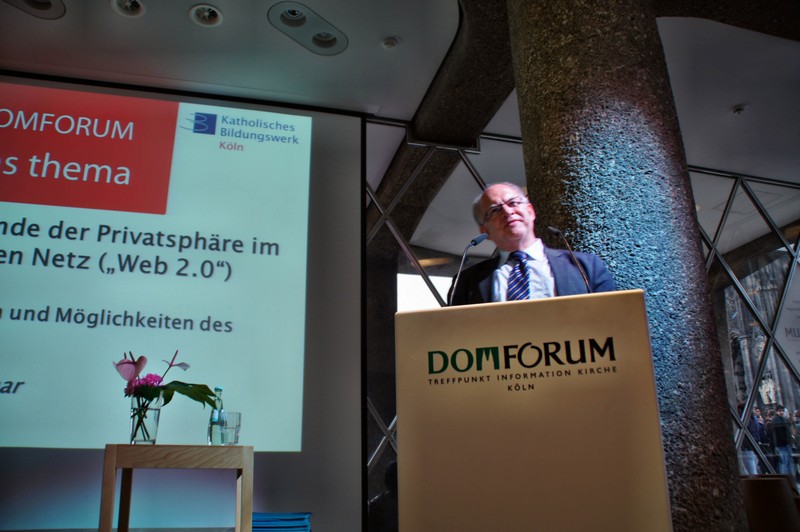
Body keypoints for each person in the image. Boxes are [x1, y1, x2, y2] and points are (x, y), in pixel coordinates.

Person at [448, 182, 616, 305]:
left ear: (530, 211)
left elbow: (613, 321)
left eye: (513, 203)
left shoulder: (586, 267)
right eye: (494, 210)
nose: (507, 211)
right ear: (484, 230)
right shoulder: (465, 283)